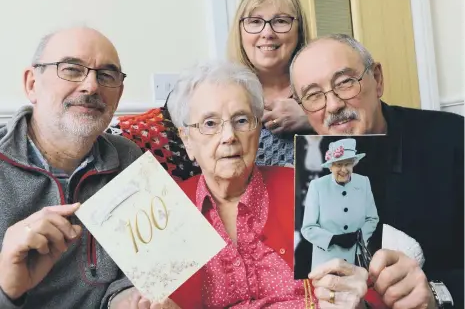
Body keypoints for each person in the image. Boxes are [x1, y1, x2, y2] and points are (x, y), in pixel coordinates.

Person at [160, 60, 388, 309]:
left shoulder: (308, 187)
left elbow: (364, 287)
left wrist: (357, 302)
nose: (229, 137)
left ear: (258, 129)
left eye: (241, 120)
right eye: (210, 124)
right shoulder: (165, 212)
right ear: (187, 140)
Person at [290, 33, 464, 309]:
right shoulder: (305, 178)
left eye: (345, 83)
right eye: (313, 96)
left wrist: (439, 293)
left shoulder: (454, 139)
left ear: (378, 80)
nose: (333, 105)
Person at [0, 26, 148, 309]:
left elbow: (135, 269)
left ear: (119, 94)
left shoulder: (128, 159)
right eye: (71, 69)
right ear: (32, 84)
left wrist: (127, 298)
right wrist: (7, 288)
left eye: (106, 75)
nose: (91, 86)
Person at [227, 0, 312, 166]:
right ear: (240, 31)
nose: (267, 32)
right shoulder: (220, 91)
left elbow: (369, 137)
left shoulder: (325, 88)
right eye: (255, 22)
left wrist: (311, 119)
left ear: (299, 31)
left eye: (280, 21)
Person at [301, 138, 379, 270]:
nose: (344, 169)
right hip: (326, 262)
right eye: (338, 164)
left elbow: (372, 218)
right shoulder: (317, 186)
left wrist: (359, 238)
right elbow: (308, 228)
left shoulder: (363, 182)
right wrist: (333, 239)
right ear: (331, 166)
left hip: (356, 260)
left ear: (354, 163)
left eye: (348, 164)